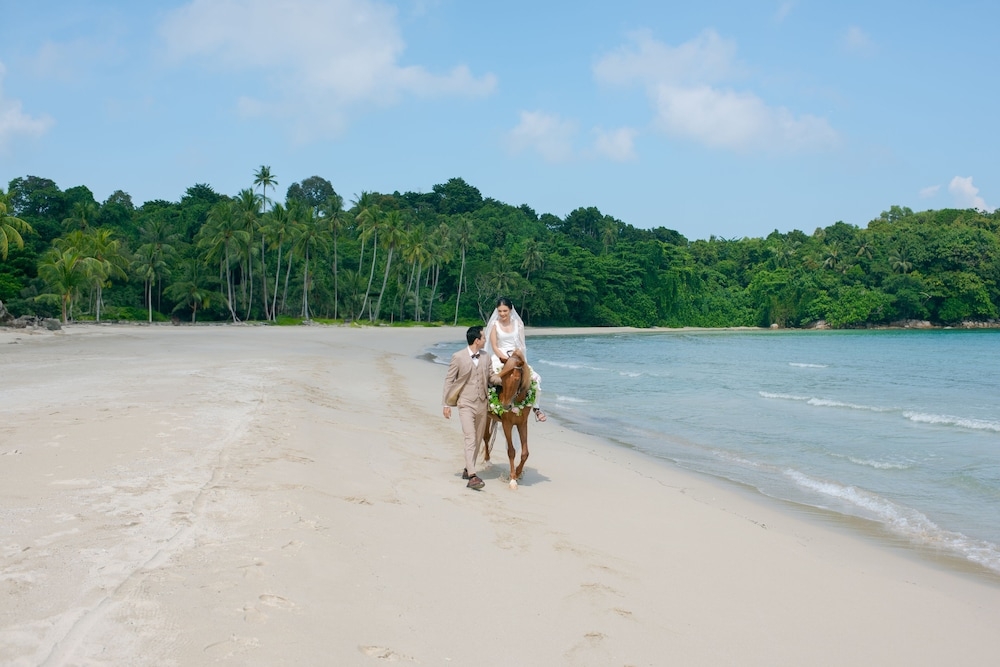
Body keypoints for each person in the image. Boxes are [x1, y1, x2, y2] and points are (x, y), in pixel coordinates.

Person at [441, 325, 491, 490]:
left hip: (482, 404)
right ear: (477, 340)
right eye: (483, 338)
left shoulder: (486, 357)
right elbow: (449, 380)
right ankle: (472, 476)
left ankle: (467, 468)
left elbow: (491, 378)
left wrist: (507, 378)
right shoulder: (458, 357)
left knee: (477, 439)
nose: (485, 340)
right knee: (470, 437)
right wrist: (446, 404)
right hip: (465, 404)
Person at [484, 297, 546, 421]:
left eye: (505, 311)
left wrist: (516, 357)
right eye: (500, 311)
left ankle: (536, 408)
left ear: (510, 310)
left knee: (535, 378)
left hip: (516, 357)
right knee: (489, 378)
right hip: (500, 357)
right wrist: (505, 359)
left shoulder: (518, 324)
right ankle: (487, 405)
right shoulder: (494, 325)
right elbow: (494, 346)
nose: (502, 314)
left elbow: (522, 345)